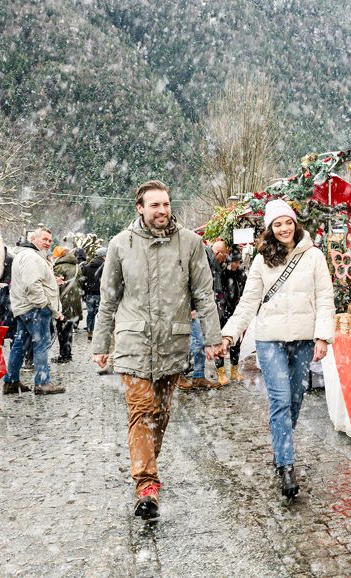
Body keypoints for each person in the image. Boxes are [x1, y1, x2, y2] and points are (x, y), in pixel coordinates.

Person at [92, 179, 222, 521]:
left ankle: (146, 462)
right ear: (140, 208)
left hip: (173, 342)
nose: (162, 210)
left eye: (165, 204)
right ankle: (146, 485)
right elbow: (108, 300)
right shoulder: (121, 245)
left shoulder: (191, 244)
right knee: (141, 411)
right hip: (133, 342)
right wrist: (101, 343)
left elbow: (204, 295)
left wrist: (212, 338)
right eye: (155, 205)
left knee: (161, 414)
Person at [219, 199, 334, 499]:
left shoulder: (314, 257)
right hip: (270, 340)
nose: (283, 228)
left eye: (287, 222)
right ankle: (286, 466)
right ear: (270, 229)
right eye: (277, 224)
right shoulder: (261, 260)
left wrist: (323, 336)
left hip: (304, 340)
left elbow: (325, 299)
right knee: (281, 400)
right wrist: (229, 334)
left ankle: (281, 442)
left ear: (296, 224)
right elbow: (248, 303)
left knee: (295, 400)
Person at [2, 226, 66, 395]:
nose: (48, 243)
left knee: (19, 345)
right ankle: (42, 383)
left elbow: (32, 281)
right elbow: (32, 285)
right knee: (42, 345)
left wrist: (52, 281)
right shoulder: (32, 257)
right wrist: (44, 305)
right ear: (33, 239)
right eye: (44, 239)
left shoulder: (25, 255)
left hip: (24, 307)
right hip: (35, 308)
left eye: (50, 240)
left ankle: (11, 382)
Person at [178, 239, 227, 390]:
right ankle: (179, 374)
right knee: (190, 341)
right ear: (217, 253)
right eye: (223, 257)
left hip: (198, 307)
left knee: (198, 341)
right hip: (190, 308)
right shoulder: (202, 256)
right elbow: (190, 282)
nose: (224, 260)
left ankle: (198, 375)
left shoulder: (210, 260)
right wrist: (190, 306)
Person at [215, 249, 246, 384]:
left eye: (238, 262)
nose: (236, 264)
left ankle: (234, 370)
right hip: (221, 311)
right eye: (234, 262)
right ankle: (221, 373)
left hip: (235, 311)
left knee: (236, 343)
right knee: (219, 341)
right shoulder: (222, 274)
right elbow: (217, 290)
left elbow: (245, 291)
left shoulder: (241, 274)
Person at [52, 247, 82, 363]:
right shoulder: (77, 267)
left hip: (63, 302)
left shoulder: (59, 267)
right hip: (74, 302)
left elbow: (54, 286)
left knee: (61, 329)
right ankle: (67, 353)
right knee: (68, 329)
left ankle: (63, 355)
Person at [79, 247, 105, 340]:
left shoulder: (87, 266)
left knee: (90, 314)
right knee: (101, 313)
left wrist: (84, 292)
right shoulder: (105, 266)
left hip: (89, 293)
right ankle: (101, 332)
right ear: (103, 256)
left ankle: (90, 331)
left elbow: (83, 280)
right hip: (101, 293)